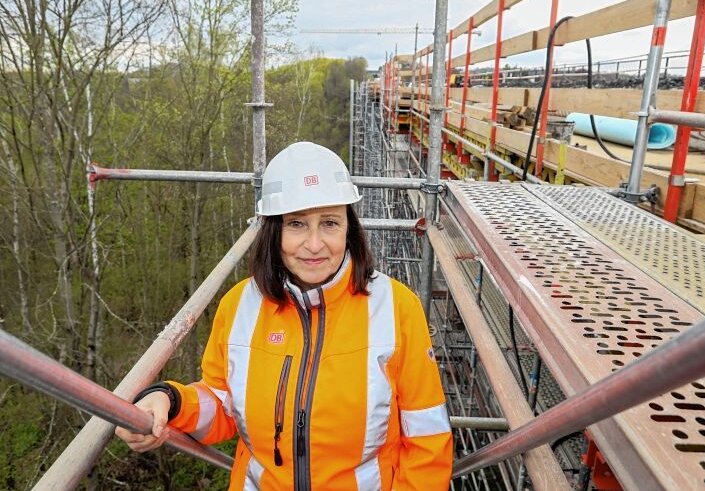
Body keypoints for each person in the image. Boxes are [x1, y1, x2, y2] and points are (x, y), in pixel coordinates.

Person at [116, 142, 453, 490]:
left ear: (348, 228)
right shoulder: (239, 306)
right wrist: (169, 401)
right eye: (296, 224)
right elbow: (221, 406)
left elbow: (427, 440)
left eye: (330, 223)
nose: (314, 244)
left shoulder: (396, 309)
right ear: (274, 231)